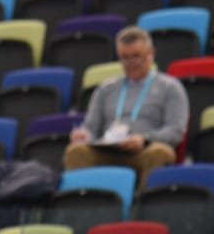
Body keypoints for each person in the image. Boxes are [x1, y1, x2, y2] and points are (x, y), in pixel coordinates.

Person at [63, 26, 190, 187]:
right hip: (108, 150)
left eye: (137, 56)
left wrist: (144, 139)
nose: (131, 63)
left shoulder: (170, 87)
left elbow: (175, 130)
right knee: (76, 151)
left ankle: (142, 209)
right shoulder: (106, 88)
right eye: (125, 58)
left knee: (160, 153)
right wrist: (83, 135)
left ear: (151, 54)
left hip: (144, 150)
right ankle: (80, 208)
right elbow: (91, 128)